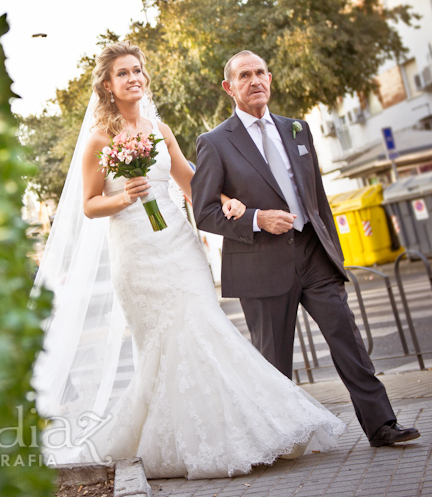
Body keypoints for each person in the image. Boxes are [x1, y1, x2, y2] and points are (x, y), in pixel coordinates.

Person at [32, 42, 344, 480]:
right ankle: (182, 441)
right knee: (168, 343)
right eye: (123, 73)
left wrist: (227, 201)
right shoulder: (98, 140)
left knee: (205, 330)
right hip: (138, 254)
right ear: (107, 84)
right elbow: (88, 204)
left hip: (179, 247)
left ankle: (236, 429)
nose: (134, 78)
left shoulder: (160, 130)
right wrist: (125, 195)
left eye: (138, 70)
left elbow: (190, 182)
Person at [191, 50, 420, 448]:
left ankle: (382, 424)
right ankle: (279, 437)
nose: (255, 80)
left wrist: (333, 252)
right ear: (230, 88)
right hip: (260, 262)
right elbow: (205, 211)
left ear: (271, 78)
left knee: (346, 338)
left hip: (313, 253)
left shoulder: (298, 129)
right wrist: (257, 219)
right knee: (274, 360)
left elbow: (317, 197)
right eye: (244, 75)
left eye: (261, 72)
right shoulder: (214, 143)